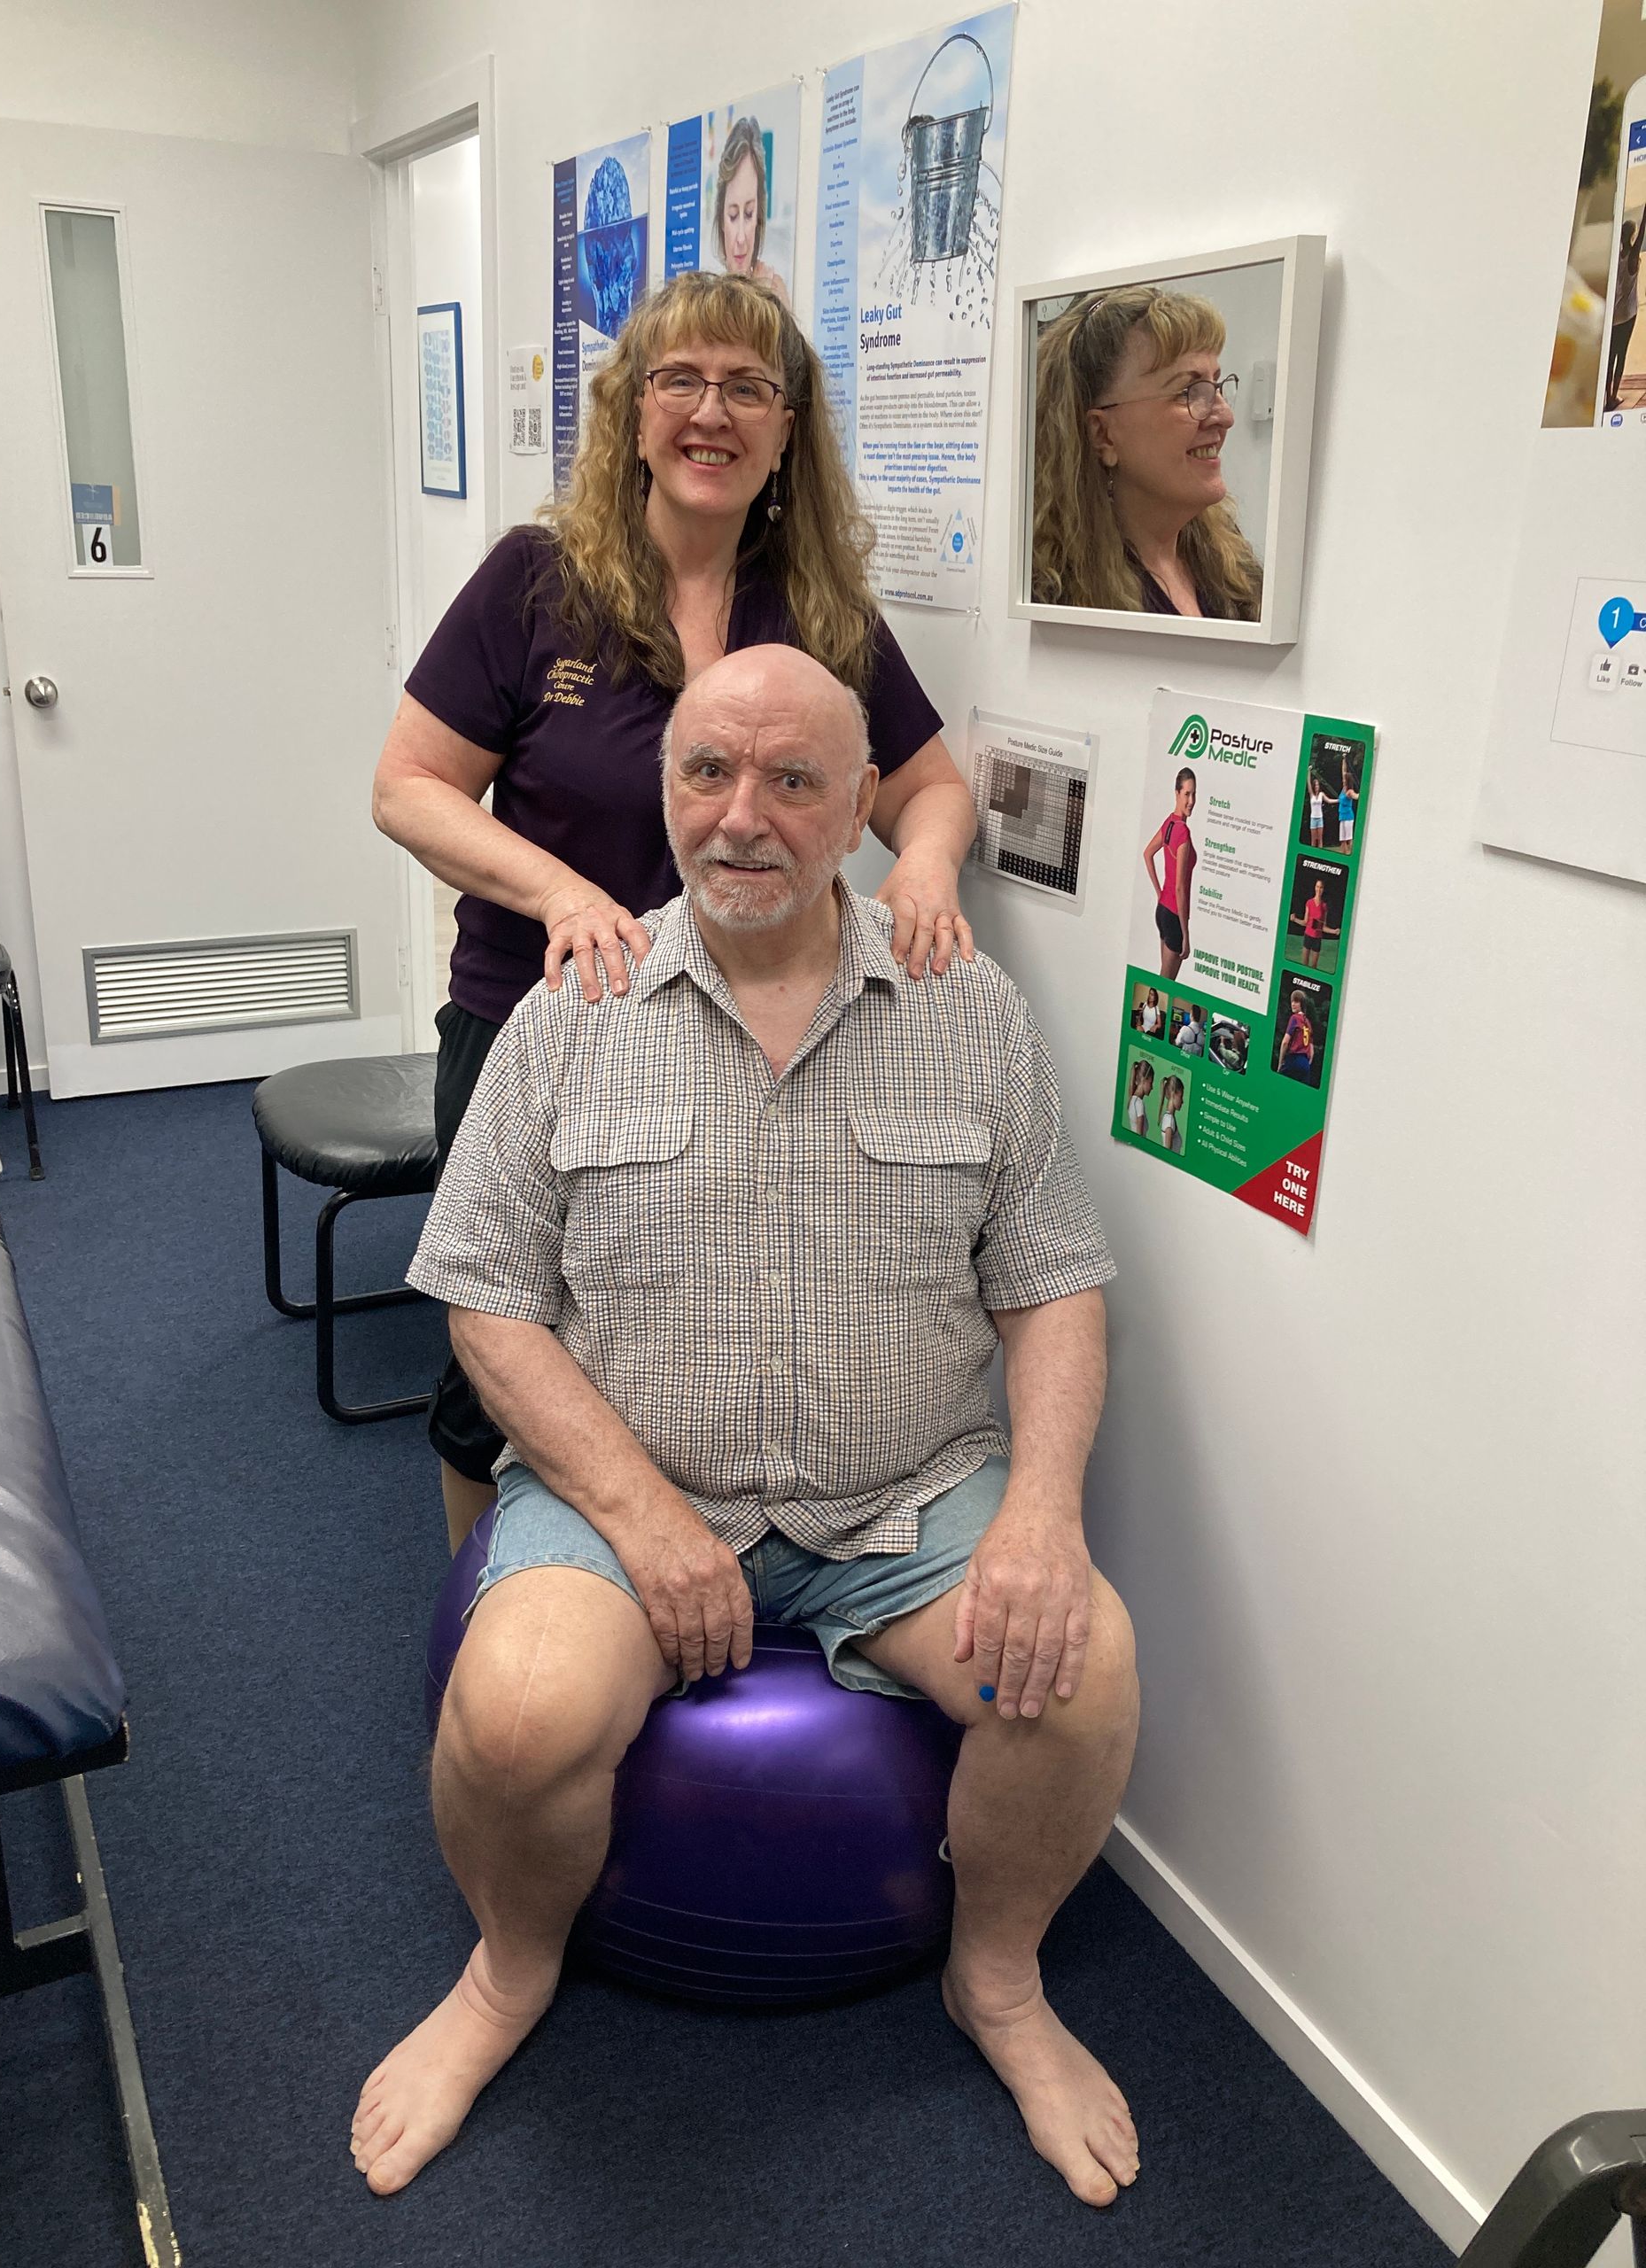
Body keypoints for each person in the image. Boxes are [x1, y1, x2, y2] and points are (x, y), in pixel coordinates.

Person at [352, 647, 1140, 2211]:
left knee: (1087, 1670)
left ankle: (996, 1981)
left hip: (903, 1502)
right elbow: (486, 1307)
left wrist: (1046, 1512)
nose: (744, 817)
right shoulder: (571, 1008)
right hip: (632, 1490)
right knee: (515, 1710)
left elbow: (1052, 1287)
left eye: (794, 781)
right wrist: (643, 1519)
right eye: (708, 773)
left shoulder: (965, 1013)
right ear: (665, 792)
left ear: (863, 804)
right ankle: (510, 1975)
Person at [371, 272, 979, 1550]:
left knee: (697, 1333)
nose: (713, 412)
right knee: (504, 1363)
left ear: (785, 430)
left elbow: (927, 793)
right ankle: (492, 1611)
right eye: (681, 380)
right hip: (545, 1024)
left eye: (749, 387)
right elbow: (409, 788)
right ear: (632, 410)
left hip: (762, 1036)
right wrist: (565, 892)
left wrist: (922, 867)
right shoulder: (537, 582)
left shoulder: (817, 611)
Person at [1030, 285, 1263, 618]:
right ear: (1103, 433)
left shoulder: (1231, 568)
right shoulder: (1053, 596)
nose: (1225, 417)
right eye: (1188, 392)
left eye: (1216, 385)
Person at [713, 115, 788, 305]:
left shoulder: (775, 289)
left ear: (759, 217)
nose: (740, 238)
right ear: (721, 219)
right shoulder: (708, 301)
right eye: (732, 215)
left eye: (748, 214)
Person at [1142, 768, 1196, 981]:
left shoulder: (1169, 823)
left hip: (1162, 910)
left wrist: (1159, 892)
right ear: (1177, 793)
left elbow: (1147, 854)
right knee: (1166, 985)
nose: (1191, 800)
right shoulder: (1182, 831)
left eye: (1194, 794)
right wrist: (1186, 934)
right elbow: (1180, 888)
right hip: (1173, 916)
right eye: (1187, 794)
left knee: (1163, 981)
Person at [1603, 216, 1641, 413]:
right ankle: (1613, 397)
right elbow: (1641, 237)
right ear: (1632, 235)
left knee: (1610, 357)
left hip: (1614, 314)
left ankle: (1606, 395)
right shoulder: (1633, 256)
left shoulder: (1615, 257)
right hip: (1628, 313)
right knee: (1621, 354)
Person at [1277, 990, 1316, 1083]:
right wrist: (1307, 1063)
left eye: (1296, 1001)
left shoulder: (1294, 1018)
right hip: (1305, 1064)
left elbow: (1285, 1042)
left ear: (1302, 1004)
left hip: (1293, 1060)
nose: (1293, 1004)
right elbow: (1312, 1050)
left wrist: (1280, 1063)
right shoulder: (1308, 1023)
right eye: (1292, 1001)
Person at [1300, 877, 1336, 969]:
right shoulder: (1309, 903)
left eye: (1321, 887)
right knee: (1304, 964)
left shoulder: (1324, 906)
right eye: (1317, 886)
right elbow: (1305, 922)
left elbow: (1323, 927)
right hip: (1308, 936)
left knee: (1314, 966)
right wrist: (1294, 919)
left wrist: (1334, 931)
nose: (1319, 889)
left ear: (1323, 889)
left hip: (1317, 939)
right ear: (1315, 887)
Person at [1336, 757, 1360, 854]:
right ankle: (1343, 853)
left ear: (1348, 781)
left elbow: (1356, 796)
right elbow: (1343, 771)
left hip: (1348, 817)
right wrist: (1344, 760)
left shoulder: (1349, 791)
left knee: (1349, 839)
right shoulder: (1343, 789)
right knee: (1342, 839)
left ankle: (1350, 854)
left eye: (1345, 780)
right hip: (1342, 817)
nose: (1343, 781)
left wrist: (1362, 794)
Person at [1125, 1057, 1154, 1134]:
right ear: (1144, 1080)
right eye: (1151, 1083)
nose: (1152, 1088)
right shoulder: (1139, 1103)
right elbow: (1139, 1136)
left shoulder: (1132, 1100)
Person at [1158, 1074, 1184, 1153]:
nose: (1182, 1101)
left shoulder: (1168, 1118)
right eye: (1181, 1096)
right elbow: (1167, 1153)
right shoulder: (1170, 1121)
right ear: (1173, 1094)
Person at [1306, 761, 1327, 850]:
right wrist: (1309, 772)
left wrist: (1338, 800)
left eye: (1318, 785)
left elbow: (1328, 800)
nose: (1317, 786)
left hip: (1320, 818)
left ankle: (1320, 855)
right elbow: (1308, 783)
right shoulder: (1312, 795)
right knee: (1313, 841)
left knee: (1320, 840)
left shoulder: (1321, 794)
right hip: (1313, 819)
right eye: (1316, 785)